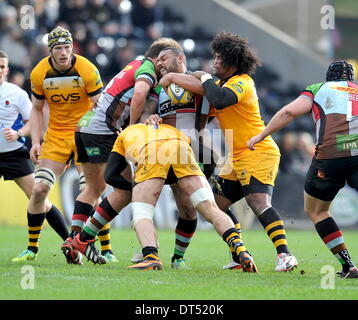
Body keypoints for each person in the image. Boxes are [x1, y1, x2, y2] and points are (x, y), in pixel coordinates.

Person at [161, 31, 298, 272]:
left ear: (231, 61)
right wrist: (176, 78)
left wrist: (196, 77)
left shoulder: (242, 82)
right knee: (215, 204)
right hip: (236, 158)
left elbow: (220, 99)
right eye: (213, 57)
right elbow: (208, 99)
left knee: (258, 203)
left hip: (258, 151)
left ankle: (285, 256)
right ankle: (238, 254)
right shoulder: (221, 85)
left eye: (218, 58)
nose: (214, 62)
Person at [66, 122, 258, 273]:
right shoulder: (168, 128)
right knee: (211, 210)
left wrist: (137, 188)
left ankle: (151, 256)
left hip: (152, 152)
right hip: (181, 149)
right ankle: (240, 248)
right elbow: (209, 156)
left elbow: (110, 176)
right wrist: (200, 179)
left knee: (142, 214)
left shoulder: (123, 135)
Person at [61, 37, 183, 264]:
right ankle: (84, 240)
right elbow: (138, 96)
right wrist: (131, 128)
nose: (166, 66)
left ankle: (73, 241)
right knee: (127, 191)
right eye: (164, 60)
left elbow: (141, 103)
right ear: (157, 58)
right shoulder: (146, 67)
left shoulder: (139, 68)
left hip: (85, 126)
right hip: (103, 132)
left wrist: (148, 117)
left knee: (94, 188)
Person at [248, 60, 358, 278]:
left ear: (329, 77)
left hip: (330, 157)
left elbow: (289, 112)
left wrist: (261, 135)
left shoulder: (317, 89)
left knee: (317, 211)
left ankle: (348, 266)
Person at [12, 26, 106, 264]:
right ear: (50, 50)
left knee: (92, 189)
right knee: (39, 189)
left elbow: (100, 105)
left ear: (72, 46)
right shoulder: (39, 72)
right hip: (55, 136)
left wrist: (89, 129)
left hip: (85, 135)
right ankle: (32, 249)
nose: (63, 52)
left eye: (66, 47)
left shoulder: (86, 68)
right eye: (58, 48)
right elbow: (36, 110)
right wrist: (35, 141)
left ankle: (102, 248)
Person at [132, 46, 217, 269]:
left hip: (191, 149)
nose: (159, 63)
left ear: (180, 58)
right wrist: (149, 117)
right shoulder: (158, 88)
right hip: (162, 151)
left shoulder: (196, 77)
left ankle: (178, 258)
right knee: (146, 201)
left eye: (164, 58)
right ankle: (148, 248)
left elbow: (206, 90)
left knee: (189, 208)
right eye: (157, 60)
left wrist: (170, 76)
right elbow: (146, 111)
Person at [0, 50, 69, 262]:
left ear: (7, 70)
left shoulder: (15, 93)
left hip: (14, 155)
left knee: (39, 197)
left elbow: (34, 121)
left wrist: (19, 133)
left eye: (2, 67)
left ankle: (70, 244)